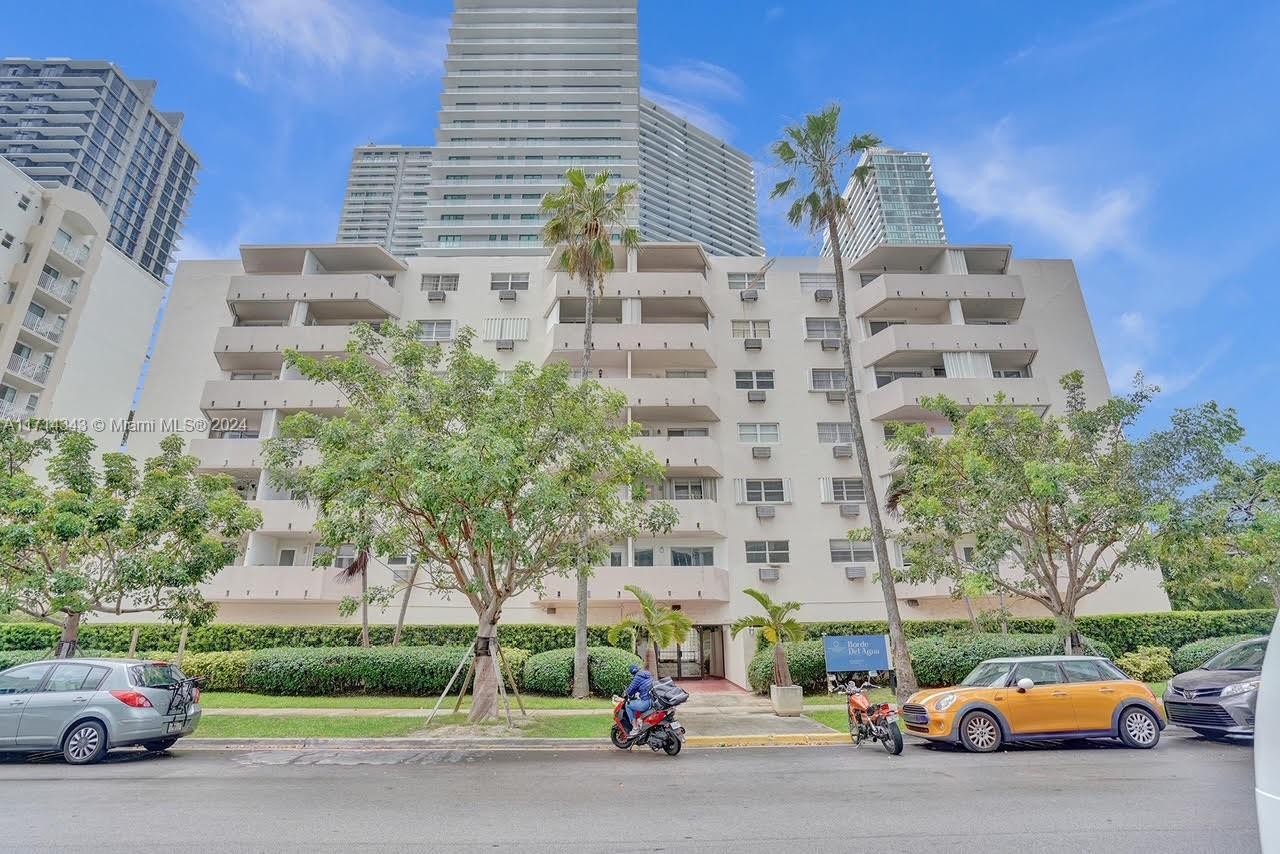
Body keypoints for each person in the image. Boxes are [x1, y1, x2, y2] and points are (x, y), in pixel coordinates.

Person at [621, 662, 654, 737]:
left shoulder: (637, 678)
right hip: (653, 699)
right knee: (637, 704)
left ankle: (635, 728)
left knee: (628, 705)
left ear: (632, 673)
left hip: (646, 701)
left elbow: (630, 690)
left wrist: (626, 694)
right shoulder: (647, 674)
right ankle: (641, 723)